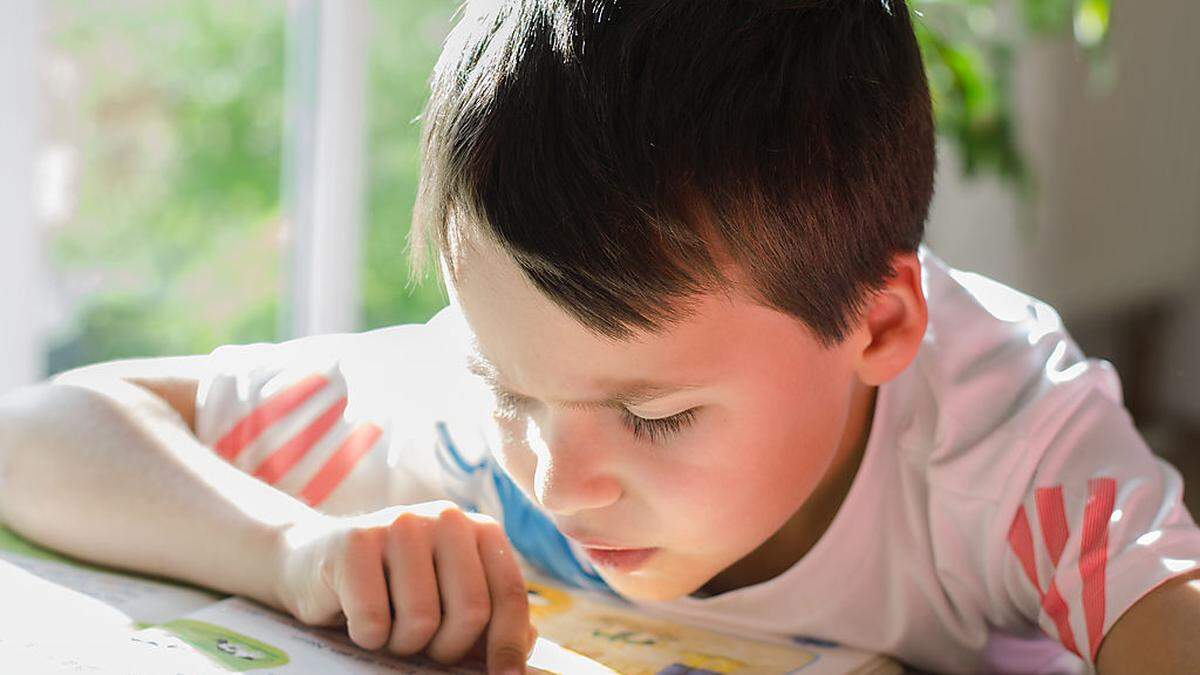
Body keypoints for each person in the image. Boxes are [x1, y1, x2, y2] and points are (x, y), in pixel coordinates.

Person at [1, 1, 1198, 673]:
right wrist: (298, 553)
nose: (556, 487)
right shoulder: (477, 423)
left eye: (656, 415)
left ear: (879, 324)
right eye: (508, 387)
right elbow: (39, 437)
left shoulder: (1006, 445)